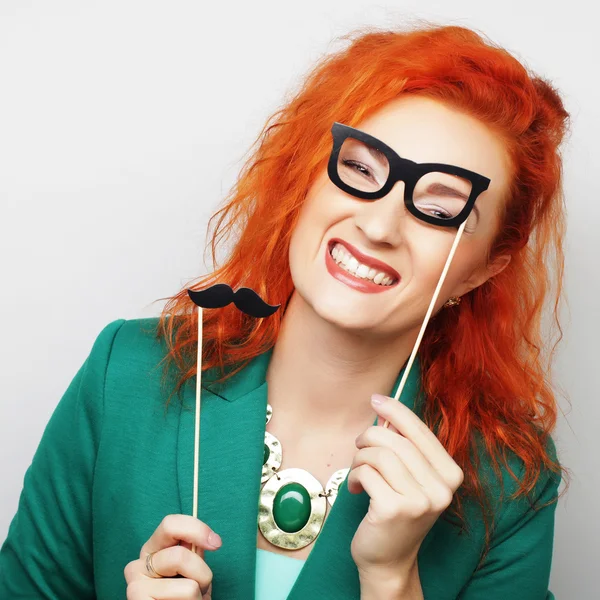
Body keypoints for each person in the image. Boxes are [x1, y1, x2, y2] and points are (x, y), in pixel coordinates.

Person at [0, 22, 570, 600]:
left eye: (439, 208)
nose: (377, 227)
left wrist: (394, 581)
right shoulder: (124, 375)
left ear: (484, 268)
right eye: (361, 170)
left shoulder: (510, 487)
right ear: (306, 179)